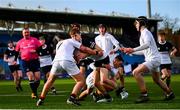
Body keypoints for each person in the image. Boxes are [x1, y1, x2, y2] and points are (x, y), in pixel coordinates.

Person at [36, 28, 103, 106]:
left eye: (75, 36)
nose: (75, 38)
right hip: (66, 61)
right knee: (81, 81)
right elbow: (84, 49)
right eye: (73, 36)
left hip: (56, 61)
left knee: (50, 80)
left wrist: (77, 58)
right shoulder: (73, 41)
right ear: (77, 35)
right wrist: (96, 52)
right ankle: (72, 98)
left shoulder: (60, 43)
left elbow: (67, 52)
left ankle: (41, 99)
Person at [120, 16, 175, 103]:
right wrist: (131, 52)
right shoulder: (144, 33)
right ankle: (170, 93)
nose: (136, 25)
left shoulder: (145, 32)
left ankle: (144, 95)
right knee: (156, 80)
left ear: (141, 23)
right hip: (154, 59)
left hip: (153, 59)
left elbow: (147, 45)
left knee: (136, 72)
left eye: (137, 23)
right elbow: (144, 51)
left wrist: (133, 49)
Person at [89, 24, 120, 102]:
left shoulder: (109, 36)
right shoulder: (96, 38)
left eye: (103, 28)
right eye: (100, 28)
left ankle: (120, 90)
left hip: (108, 60)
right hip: (99, 60)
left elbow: (117, 45)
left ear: (105, 29)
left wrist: (114, 50)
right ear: (98, 29)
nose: (101, 29)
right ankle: (100, 94)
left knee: (110, 77)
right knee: (100, 79)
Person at [15, 28, 42, 99]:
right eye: (25, 32)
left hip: (35, 61)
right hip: (25, 61)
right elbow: (16, 52)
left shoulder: (35, 40)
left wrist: (35, 50)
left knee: (38, 78)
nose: (26, 34)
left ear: (29, 33)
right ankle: (34, 93)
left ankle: (34, 91)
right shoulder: (19, 42)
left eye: (27, 32)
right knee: (31, 76)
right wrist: (15, 60)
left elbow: (40, 48)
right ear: (22, 33)